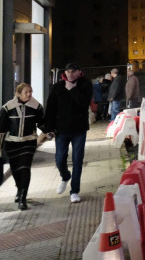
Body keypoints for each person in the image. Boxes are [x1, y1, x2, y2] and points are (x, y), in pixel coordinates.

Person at [44, 62, 92, 204]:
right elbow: (51, 108)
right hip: (62, 129)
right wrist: (49, 128)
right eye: (68, 71)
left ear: (79, 72)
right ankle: (65, 176)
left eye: (73, 71)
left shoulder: (85, 84)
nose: (70, 74)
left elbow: (84, 104)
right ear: (65, 73)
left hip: (79, 129)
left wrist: (73, 90)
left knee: (78, 160)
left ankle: (74, 191)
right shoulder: (58, 87)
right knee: (59, 159)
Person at [0, 83, 45, 210]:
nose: (29, 94)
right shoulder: (7, 108)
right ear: (18, 94)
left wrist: (51, 131)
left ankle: (22, 198)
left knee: (25, 168)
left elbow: (42, 123)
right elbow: (1, 129)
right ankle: (19, 189)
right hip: (12, 143)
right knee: (15, 170)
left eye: (30, 91)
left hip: (28, 141)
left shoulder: (36, 107)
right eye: (26, 92)